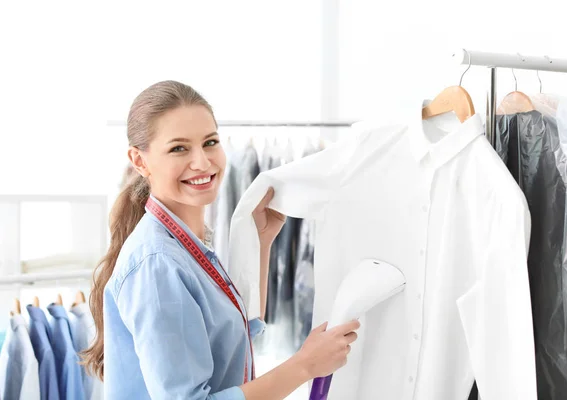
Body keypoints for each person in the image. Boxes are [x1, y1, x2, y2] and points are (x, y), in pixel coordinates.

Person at [82, 80, 360, 400]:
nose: (202, 162)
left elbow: (239, 335)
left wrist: (262, 244)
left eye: (210, 142)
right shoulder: (158, 263)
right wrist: (305, 365)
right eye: (179, 148)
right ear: (140, 161)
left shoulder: (187, 245)